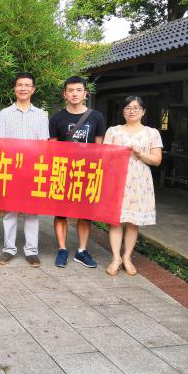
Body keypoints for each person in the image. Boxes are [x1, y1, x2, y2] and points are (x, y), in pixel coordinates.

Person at [49, 76, 106, 269]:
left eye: (79, 90)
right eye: (71, 90)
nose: (74, 94)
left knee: (85, 213)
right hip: (63, 172)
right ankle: (62, 249)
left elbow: (99, 148)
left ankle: (82, 251)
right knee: (60, 213)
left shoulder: (96, 117)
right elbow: (52, 149)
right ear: (64, 94)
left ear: (85, 93)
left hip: (87, 173)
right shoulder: (56, 118)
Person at [0, 73, 49, 266]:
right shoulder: (4, 114)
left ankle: (31, 251)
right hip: (10, 169)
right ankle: (9, 249)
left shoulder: (41, 115)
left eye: (27, 85)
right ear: (14, 88)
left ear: (33, 89)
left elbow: (43, 144)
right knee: (10, 210)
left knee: (32, 211)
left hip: (33, 169)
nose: (23, 88)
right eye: (19, 85)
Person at [103, 96, 162, 276]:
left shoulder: (152, 133)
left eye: (136, 108)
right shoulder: (113, 131)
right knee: (116, 220)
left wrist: (140, 153)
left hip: (139, 181)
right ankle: (116, 258)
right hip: (117, 179)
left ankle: (127, 257)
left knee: (132, 222)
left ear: (143, 111)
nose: (132, 111)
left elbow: (156, 160)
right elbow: (104, 157)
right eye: (128, 107)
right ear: (123, 111)